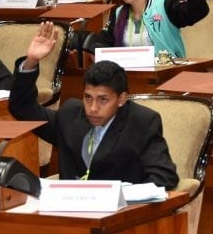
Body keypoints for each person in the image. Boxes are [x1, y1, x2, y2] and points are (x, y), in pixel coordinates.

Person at [9, 21, 179, 188]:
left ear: (121, 99)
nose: (93, 108)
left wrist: (120, 195)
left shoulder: (141, 122)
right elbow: (22, 108)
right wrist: (31, 62)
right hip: (70, 210)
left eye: (103, 100)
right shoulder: (70, 115)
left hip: (118, 210)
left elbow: (165, 177)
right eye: (88, 98)